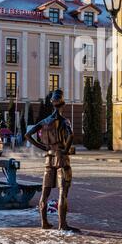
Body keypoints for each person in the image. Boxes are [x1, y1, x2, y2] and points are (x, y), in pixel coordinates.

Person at [25, 89, 79, 232]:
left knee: (45, 193)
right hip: (61, 158)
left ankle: (44, 222)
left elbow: (28, 135)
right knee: (63, 192)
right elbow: (71, 135)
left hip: (49, 158)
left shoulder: (44, 121)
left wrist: (43, 147)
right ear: (63, 104)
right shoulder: (64, 121)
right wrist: (66, 149)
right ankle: (62, 224)